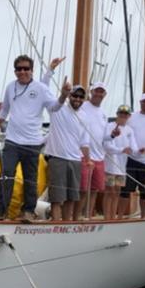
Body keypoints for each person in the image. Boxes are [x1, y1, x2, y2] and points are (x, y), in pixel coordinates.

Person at [0, 54, 65, 221]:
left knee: (31, 178)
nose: (22, 72)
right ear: (15, 71)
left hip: (32, 142)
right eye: (19, 69)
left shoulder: (41, 88)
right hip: (12, 140)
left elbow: (55, 107)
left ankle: (28, 211)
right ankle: (0, 210)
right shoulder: (10, 87)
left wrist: (63, 95)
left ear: (32, 70)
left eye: (26, 69)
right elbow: (4, 110)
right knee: (6, 173)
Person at [44, 83, 90, 221]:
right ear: (70, 96)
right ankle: (56, 226)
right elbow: (44, 87)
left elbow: (84, 142)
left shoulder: (84, 116)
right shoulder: (57, 109)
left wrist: (88, 160)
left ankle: (66, 225)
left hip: (76, 160)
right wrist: (63, 94)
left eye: (81, 97)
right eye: (75, 95)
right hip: (58, 158)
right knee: (57, 198)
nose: (78, 98)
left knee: (71, 197)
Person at [78, 82, 108, 218]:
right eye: (96, 91)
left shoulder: (103, 114)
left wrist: (113, 135)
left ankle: (88, 215)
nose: (98, 94)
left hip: (99, 156)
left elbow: (103, 136)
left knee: (95, 190)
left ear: (104, 95)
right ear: (91, 92)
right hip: (83, 155)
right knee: (83, 189)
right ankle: (77, 216)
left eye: (101, 92)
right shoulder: (82, 107)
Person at [102, 104, 138, 219]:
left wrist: (138, 151)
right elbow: (107, 146)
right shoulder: (109, 126)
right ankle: (107, 217)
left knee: (117, 192)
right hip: (109, 166)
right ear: (117, 114)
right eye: (121, 113)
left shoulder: (129, 130)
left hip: (121, 167)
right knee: (109, 191)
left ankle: (113, 217)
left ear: (129, 116)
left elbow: (133, 147)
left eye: (126, 114)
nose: (123, 116)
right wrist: (122, 150)